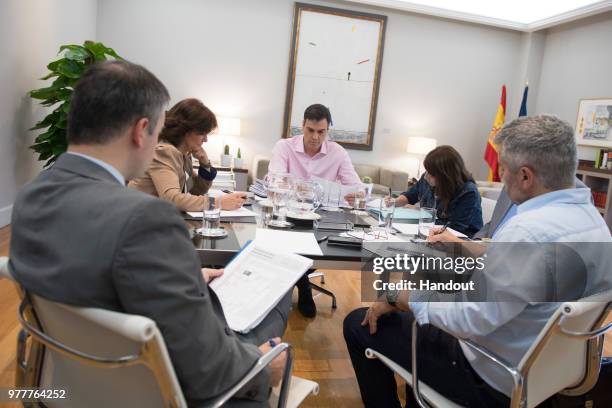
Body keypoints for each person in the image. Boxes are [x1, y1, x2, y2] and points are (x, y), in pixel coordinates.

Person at [9, 61, 291, 407]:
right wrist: (262, 367)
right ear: (141, 130)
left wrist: (181, 276)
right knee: (277, 302)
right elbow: (206, 369)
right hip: (162, 389)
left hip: (74, 380)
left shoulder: (30, 198)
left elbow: (92, 272)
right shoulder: (146, 219)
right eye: (158, 130)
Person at [343, 115, 611, 407]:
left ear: (525, 175)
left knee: (357, 323)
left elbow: (469, 317)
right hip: (547, 375)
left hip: (490, 375)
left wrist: (396, 296)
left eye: (503, 170)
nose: (501, 179)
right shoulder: (596, 225)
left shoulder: (528, 230)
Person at [268, 104, 363, 318]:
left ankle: (300, 281)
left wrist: (356, 195)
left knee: (324, 244)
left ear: (328, 130)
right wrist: (294, 186)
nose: (315, 137)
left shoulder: (337, 153)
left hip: (320, 218)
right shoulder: (284, 146)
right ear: (302, 125)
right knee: (282, 240)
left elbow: (355, 188)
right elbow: (275, 180)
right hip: (288, 214)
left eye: (322, 132)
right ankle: (303, 284)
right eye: (311, 130)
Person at [129, 98, 246, 211]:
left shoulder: (183, 155)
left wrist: (205, 164)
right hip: (138, 221)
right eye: (203, 133)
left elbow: (196, 190)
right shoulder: (164, 152)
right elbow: (172, 199)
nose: (205, 140)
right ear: (186, 130)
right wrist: (218, 202)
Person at [395, 145, 483, 237]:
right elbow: (410, 195)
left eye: (432, 174)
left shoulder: (468, 192)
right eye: (427, 171)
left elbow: (454, 228)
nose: (426, 176)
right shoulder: (428, 178)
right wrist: (395, 202)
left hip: (458, 242)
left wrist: (421, 213)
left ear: (446, 176)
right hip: (429, 233)